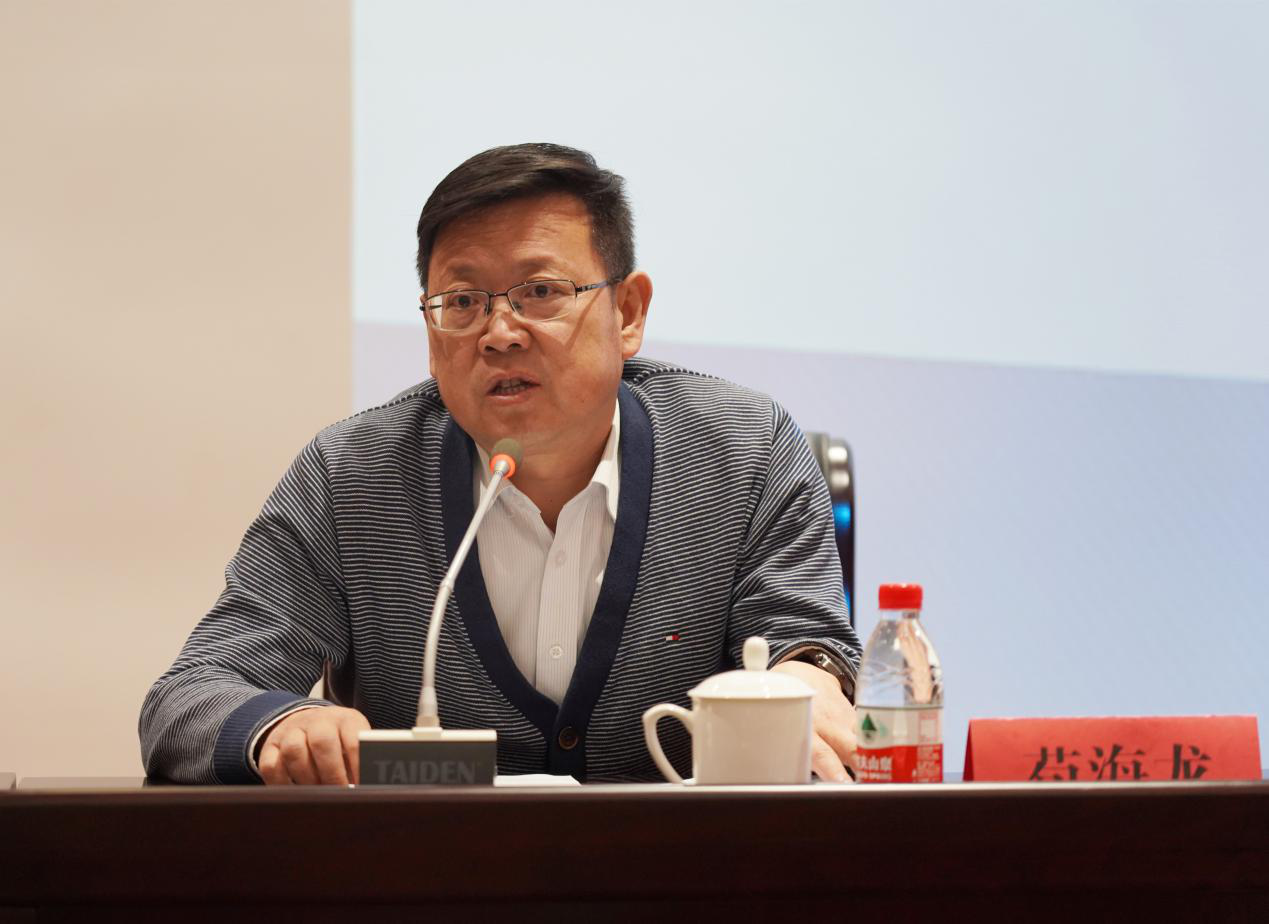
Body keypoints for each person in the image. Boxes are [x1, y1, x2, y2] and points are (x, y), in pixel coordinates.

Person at [140, 143, 862, 785]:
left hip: (684, 871)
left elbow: (806, 649)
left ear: (628, 313)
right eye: (462, 302)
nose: (499, 333)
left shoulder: (744, 450)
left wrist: (810, 686)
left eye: (540, 293)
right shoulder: (352, 476)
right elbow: (191, 695)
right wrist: (281, 726)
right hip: (433, 873)